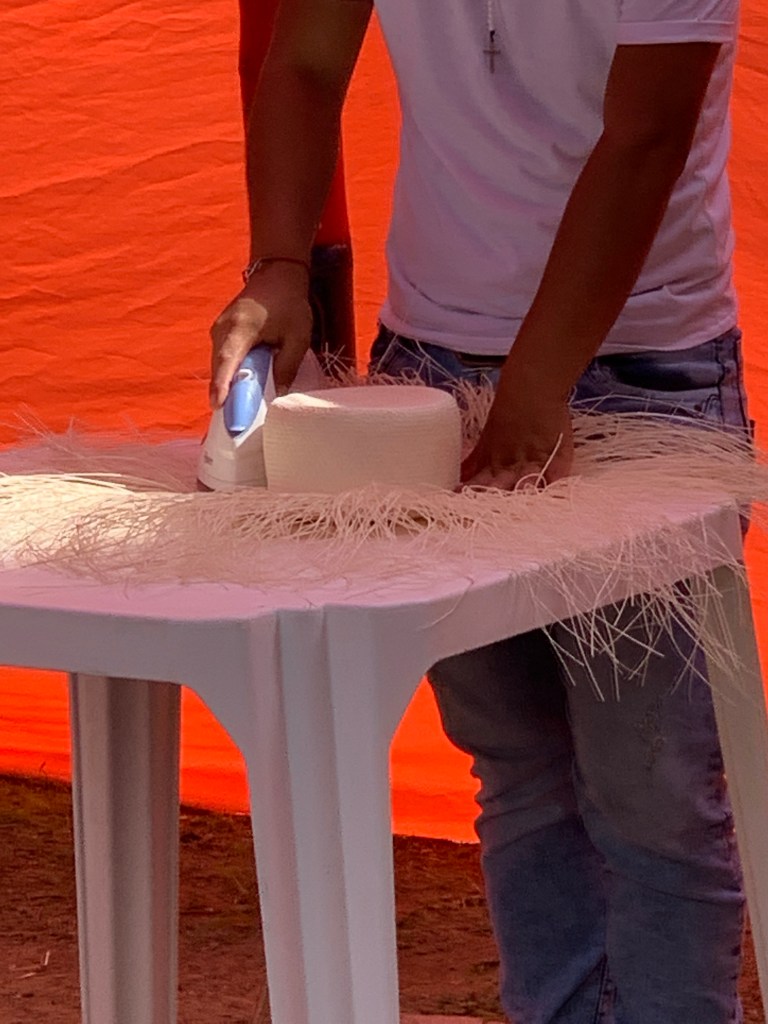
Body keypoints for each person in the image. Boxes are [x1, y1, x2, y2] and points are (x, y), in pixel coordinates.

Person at [210, 2, 749, 1021]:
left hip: (644, 373)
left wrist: (538, 382)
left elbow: (646, 134)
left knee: (655, 795)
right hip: (432, 369)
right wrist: (277, 264)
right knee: (517, 766)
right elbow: (305, 62)